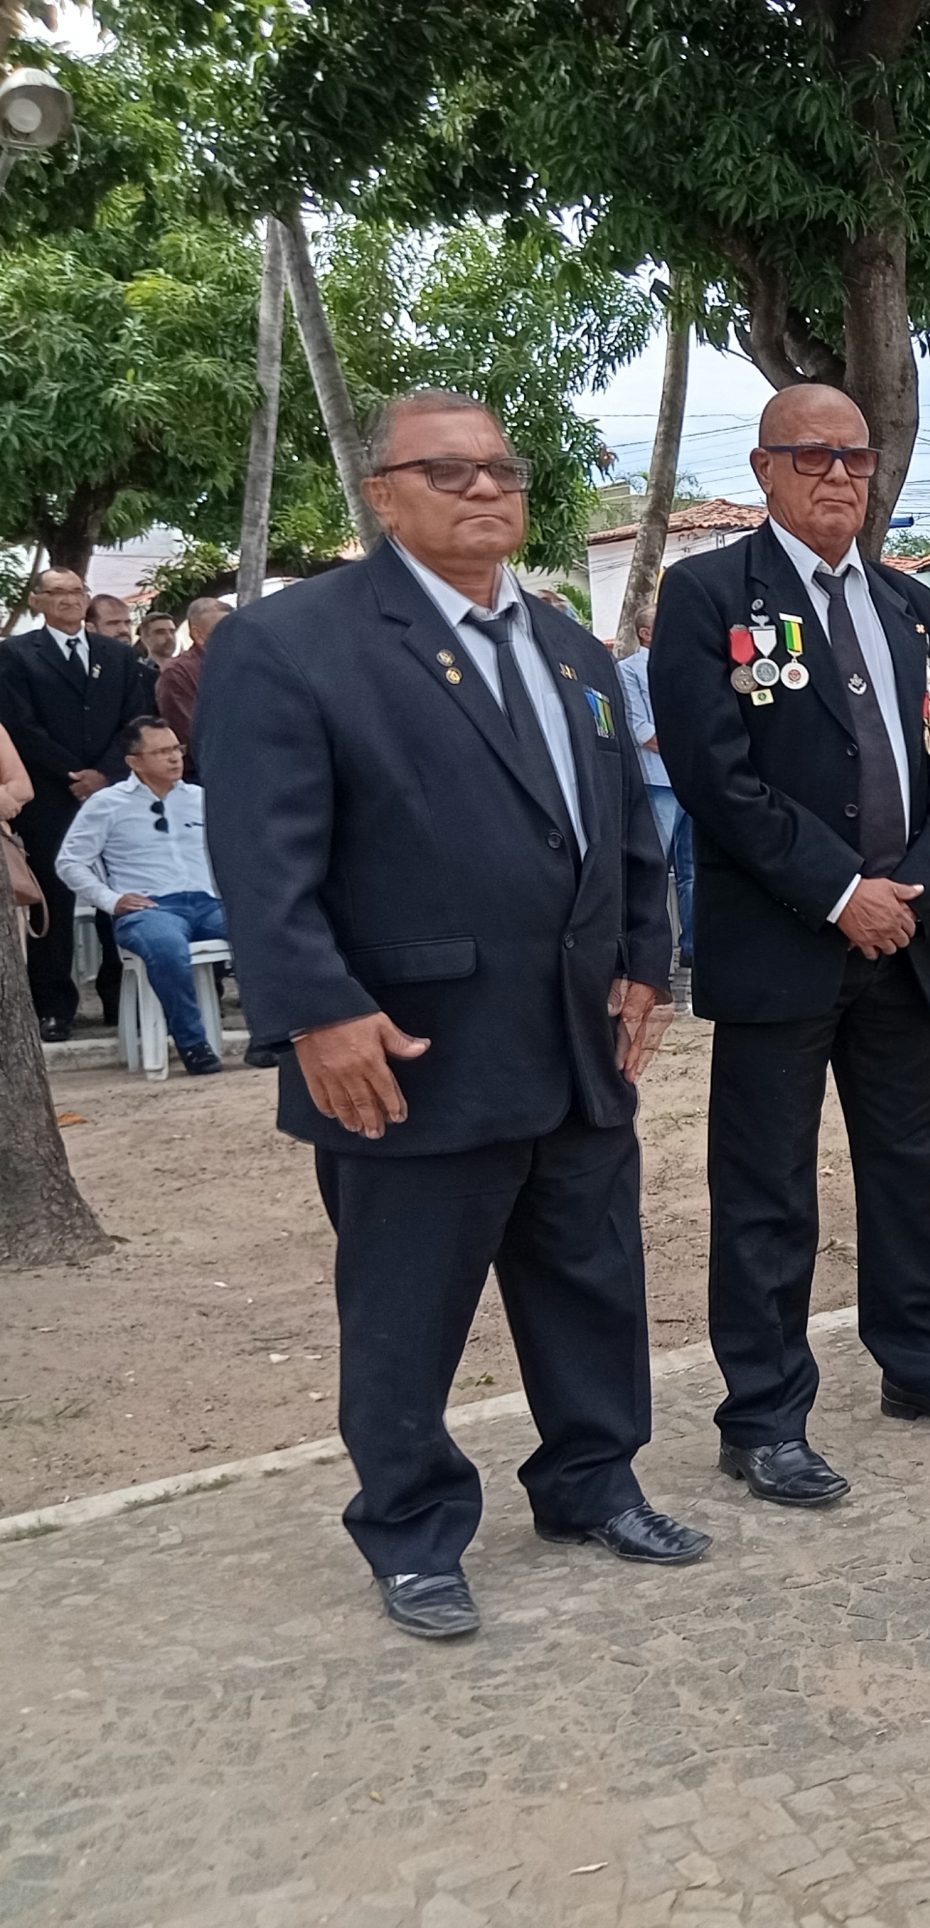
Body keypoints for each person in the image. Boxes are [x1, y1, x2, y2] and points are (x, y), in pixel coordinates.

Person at [198, 387, 706, 1640]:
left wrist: (647, 957)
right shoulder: (295, 641)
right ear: (382, 494)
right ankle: (414, 1529)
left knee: (590, 1276)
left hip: (578, 1033)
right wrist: (315, 1010)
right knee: (406, 1305)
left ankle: (592, 1481)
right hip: (407, 1044)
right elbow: (261, 855)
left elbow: (623, 825)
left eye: (501, 469)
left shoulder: (569, 646)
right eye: (448, 470)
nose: (485, 487)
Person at [652, 381, 930, 1511]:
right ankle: (763, 1418)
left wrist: (910, 887)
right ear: (764, 469)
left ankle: (922, 1366)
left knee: (905, 1169)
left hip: (901, 940)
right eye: (812, 455)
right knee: (766, 1190)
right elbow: (716, 776)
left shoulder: (915, 609)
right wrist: (839, 890)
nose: (839, 476)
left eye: (855, 456)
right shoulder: (709, 593)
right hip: (783, 945)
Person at [0, 565, 155, 1040]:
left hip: (111, 791)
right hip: (50, 795)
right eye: (57, 592)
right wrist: (73, 774)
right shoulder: (16, 654)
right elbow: (20, 725)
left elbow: (135, 718)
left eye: (76, 590)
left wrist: (104, 773)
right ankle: (54, 1005)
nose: (69, 599)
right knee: (54, 896)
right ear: (37, 601)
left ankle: (119, 996)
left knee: (119, 889)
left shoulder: (116, 654)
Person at [53, 717, 227, 1074]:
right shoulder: (107, 803)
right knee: (166, 947)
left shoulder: (201, 798)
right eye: (161, 752)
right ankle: (193, 1044)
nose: (175, 758)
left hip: (208, 902)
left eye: (177, 748)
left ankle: (269, 1037)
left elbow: (235, 852)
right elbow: (69, 862)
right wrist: (111, 900)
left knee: (262, 934)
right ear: (134, 761)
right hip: (151, 908)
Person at [616, 601, 695, 967]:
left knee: (693, 869)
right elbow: (640, 729)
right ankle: (650, 954)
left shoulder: (686, 665)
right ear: (645, 633)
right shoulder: (628, 670)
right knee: (654, 868)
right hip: (658, 782)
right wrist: (689, 745)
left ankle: (693, 947)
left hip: (692, 780)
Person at [150, 597, 231, 774]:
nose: (233, 636)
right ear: (198, 635)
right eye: (223, 630)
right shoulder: (178, 673)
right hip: (204, 772)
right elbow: (190, 733)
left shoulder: (242, 663)